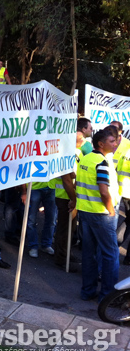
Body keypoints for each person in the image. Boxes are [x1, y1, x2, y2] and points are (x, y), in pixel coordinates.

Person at [76, 128, 119, 301]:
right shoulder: (102, 163)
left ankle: (87, 291)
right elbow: (103, 192)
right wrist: (111, 209)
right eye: (112, 141)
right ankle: (107, 297)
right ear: (101, 144)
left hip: (85, 212)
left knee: (89, 254)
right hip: (101, 214)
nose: (115, 144)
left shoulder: (85, 159)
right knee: (110, 255)